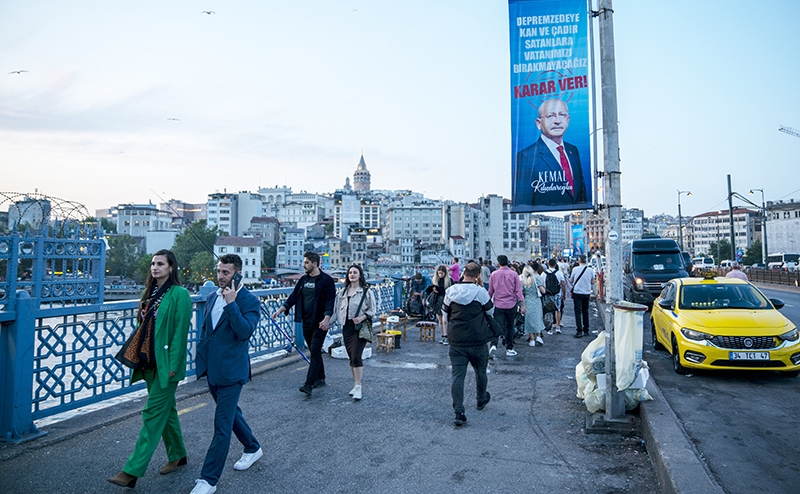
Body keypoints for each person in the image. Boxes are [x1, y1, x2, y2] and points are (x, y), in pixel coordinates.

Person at [108, 250, 192, 489]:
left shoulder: (180, 294)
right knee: (167, 411)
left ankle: (131, 471)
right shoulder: (150, 292)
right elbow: (144, 327)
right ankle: (178, 454)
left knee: (152, 413)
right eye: (153, 264)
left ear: (171, 267)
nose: (155, 268)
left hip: (167, 365)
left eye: (160, 264)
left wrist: (174, 365)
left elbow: (180, 333)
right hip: (148, 361)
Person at [192, 254, 263, 494]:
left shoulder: (249, 301)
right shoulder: (212, 297)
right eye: (219, 271)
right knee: (231, 415)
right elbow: (206, 331)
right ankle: (252, 447)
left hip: (233, 372)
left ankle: (208, 480)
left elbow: (244, 332)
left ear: (238, 274)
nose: (220, 276)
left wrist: (232, 304)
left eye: (226, 273)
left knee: (221, 425)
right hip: (212, 370)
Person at [273, 251, 336, 396]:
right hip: (306, 321)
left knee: (314, 351)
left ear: (315, 264)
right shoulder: (303, 280)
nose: (304, 265)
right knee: (315, 350)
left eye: (307, 262)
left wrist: (327, 318)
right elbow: (293, 297)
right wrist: (281, 310)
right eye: (304, 262)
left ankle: (309, 384)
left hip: (320, 322)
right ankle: (321, 377)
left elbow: (330, 301)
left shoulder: (326, 281)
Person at [513, 98, 588, 209]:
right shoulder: (525, 157)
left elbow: (581, 195)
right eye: (550, 116)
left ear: (568, 120)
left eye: (562, 115)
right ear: (539, 123)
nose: (557, 121)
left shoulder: (573, 150)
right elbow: (523, 204)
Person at [443, 262, 494, 426]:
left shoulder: (451, 291)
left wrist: (446, 333)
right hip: (478, 339)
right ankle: (481, 399)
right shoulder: (481, 292)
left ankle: (459, 411)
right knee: (481, 371)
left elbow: (444, 314)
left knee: (458, 375)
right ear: (478, 275)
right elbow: (490, 312)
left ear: (463, 272)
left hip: (456, 339)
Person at [333, 264, 376, 401]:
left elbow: (372, 310)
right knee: (351, 357)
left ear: (360, 275)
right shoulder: (342, 292)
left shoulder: (366, 291)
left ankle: (358, 386)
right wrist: (326, 321)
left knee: (357, 356)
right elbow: (336, 310)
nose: (352, 275)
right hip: (347, 327)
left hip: (360, 327)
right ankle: (355, 384)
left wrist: (362, 317)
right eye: (350, 272)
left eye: (355, 272)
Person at [488, 255, 526, 357]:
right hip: (511, 304)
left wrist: (487, 304)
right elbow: (518, 290)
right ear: (507, 262)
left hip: (498, 304)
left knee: (496, 326)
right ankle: (509, 348)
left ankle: (493, 345)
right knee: (510, 327)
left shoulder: (494, 274)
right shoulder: (514, 274)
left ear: (498, 263)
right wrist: (522, 305)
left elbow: (490, 291)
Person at [569, 255, 595, 338]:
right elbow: (593, 282)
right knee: (585, 311)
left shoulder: (575, 269)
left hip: (577, 292)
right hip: (586, 292)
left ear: (579, 260)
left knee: (578, 312)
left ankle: (579, 331)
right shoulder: (590, 270)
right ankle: (586, 330)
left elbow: (571, 280)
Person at [521, 263, 546, 347]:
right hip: (536, 300)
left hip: (527, 301)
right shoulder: (537, 278)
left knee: (529, 319)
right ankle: (538, 336)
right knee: (538, 317)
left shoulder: (523, 281)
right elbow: (543, 291)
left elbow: (520, 292)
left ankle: (532, 339)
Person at [430, 265, 453, 345]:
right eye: (439, 273)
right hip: (438, 300)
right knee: (440, 320)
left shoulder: (449, 280)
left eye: (442, 273)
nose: (440, 275)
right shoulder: (435, 280)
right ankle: (443, 335)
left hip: (446, 300)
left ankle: (446, 336)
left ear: (445, 273)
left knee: (445, 320)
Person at [544, 258, 567, 334]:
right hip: (557, 293)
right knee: (558, 310)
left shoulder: (544, 273)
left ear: (548, 264)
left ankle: (550, 328)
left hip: (548, 294)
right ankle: (558, 326)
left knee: (549, 311)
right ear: (555, 265)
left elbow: (542, 284)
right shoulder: (559, 273)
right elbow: (563, 284)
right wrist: (564, 293)